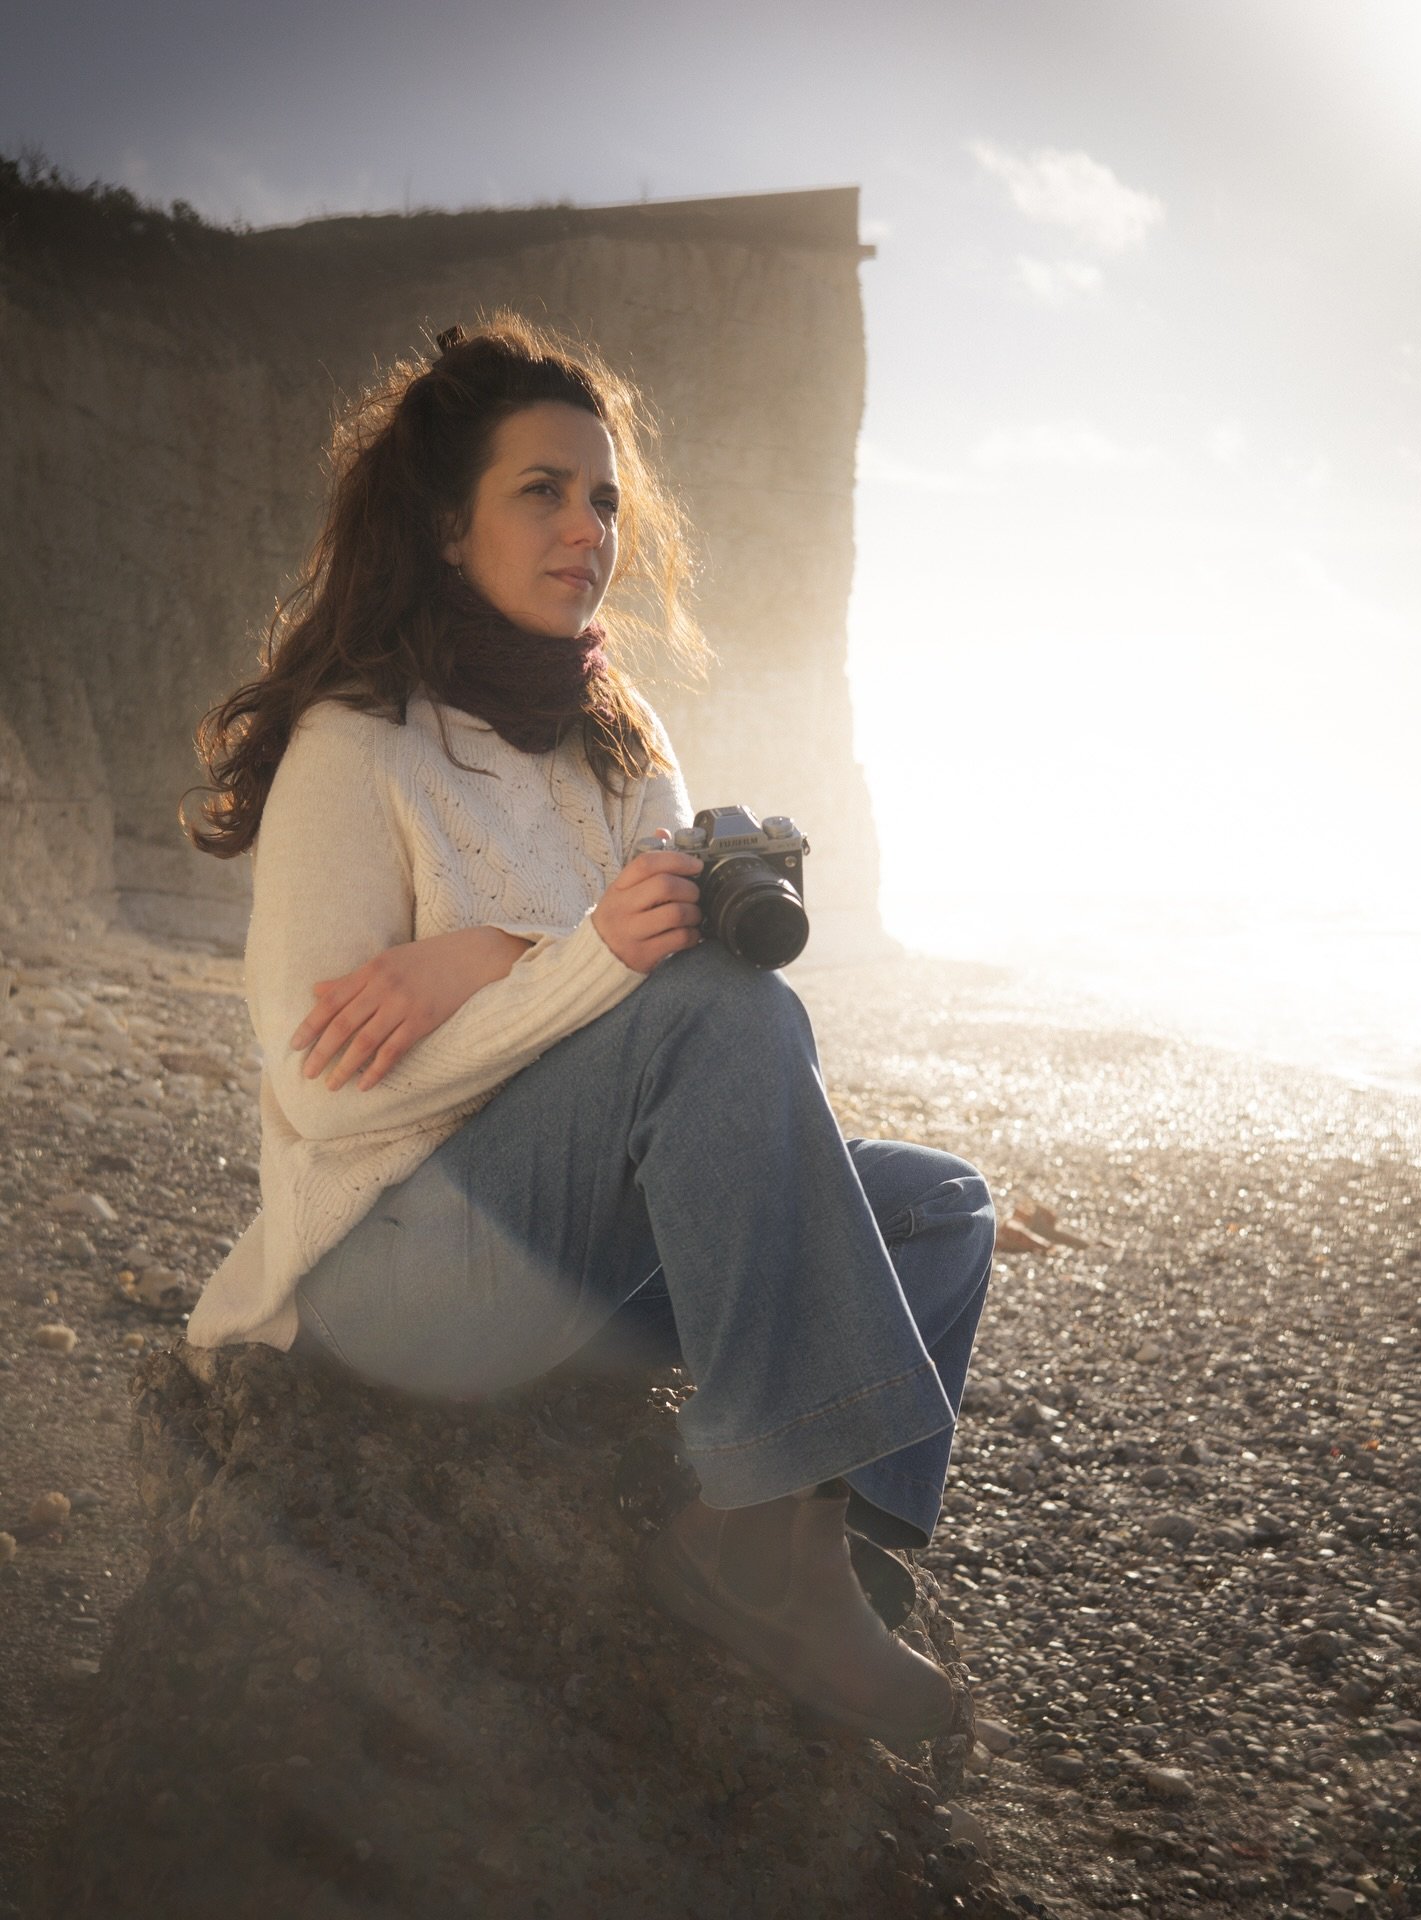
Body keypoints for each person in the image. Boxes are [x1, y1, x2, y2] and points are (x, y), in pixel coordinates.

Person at [183, 314, 995, 1751]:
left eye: (605, 496)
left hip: (574, 1272)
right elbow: (322, 1105)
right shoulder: (356, 747)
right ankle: (757, 1554)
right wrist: (553, 961)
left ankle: (830, 1544)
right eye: (541, 491)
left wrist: (497, 959)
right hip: (391, 1280)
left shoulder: (628, 750)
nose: (586, 527)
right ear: (448, 527)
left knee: (940, 1204)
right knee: (702, 1000)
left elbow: (680, 1018)